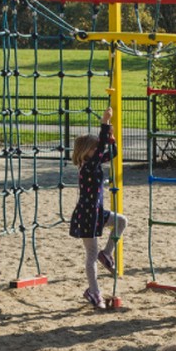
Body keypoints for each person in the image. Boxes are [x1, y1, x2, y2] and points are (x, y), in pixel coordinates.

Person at [69, 106, 128, 309]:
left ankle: (107, 253)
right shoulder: (87, 166)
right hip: (86, 215)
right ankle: (94, 291)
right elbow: (101, 150)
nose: (97, 151)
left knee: (121, 221)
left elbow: (113, 152)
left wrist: (111, 136)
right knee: (91, 254)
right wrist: (105, 121)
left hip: (97, 212)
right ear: (86, 151)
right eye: (94, 149)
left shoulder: (94, 163)